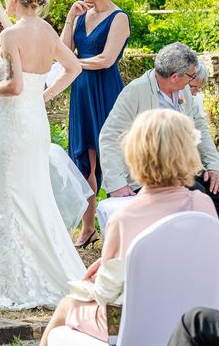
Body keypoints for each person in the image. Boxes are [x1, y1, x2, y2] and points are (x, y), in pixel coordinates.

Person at [40, 109, 218, 345]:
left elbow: (107, 293)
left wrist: (93, 279)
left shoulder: (125, 219)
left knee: (66, 306)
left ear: (135, 154)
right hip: (193, 314)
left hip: (135, 326)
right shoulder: (203, 205)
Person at [0, 0, 86, 310]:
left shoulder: (11, 36)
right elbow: (74, 67)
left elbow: (13, 87)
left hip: (15, 123)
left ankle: (15, 282)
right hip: (35, 122)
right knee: (35, 195)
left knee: (10, 198)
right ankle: (46, 268)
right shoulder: (48, 31)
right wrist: (45, 95)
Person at [99, 42, 219, 212]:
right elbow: (110, 135)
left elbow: (199, 126)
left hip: (180, 169)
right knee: (195, 195)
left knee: (215, 191)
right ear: (175, 76)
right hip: (148, 175)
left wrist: (214, 165)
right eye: (191, 77)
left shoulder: (183, 90)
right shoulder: (135, 91)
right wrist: (117, 184)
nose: (191, 82)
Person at [60, 0, 131, 249]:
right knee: (86, 160)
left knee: (111, 156)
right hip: (81, 93)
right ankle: (88, 227)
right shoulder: (81, 16)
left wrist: (72, 65)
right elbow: (62, 51)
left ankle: (120, 227)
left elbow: (106, 60)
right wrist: (69, 18)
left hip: (105, 91)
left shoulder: (119, 18)